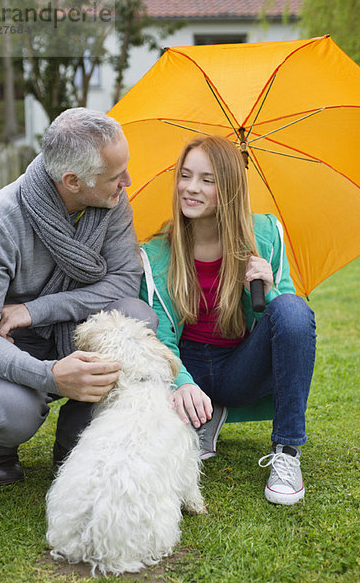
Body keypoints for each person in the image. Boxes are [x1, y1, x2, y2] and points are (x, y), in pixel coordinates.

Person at [0, 107, 157, 486]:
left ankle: (77, 426)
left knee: (136, 316)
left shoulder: (111, 203)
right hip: (6, 346)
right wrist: (50, 374)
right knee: (14, 412)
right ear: (72, 181)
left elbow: (123, 280)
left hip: (67, 329)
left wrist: (35, 310)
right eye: (117, 176)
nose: (128, 182)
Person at [140, 135, 316, 505]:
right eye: (185, 176)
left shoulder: (265, 235)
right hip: (187, 368)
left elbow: (285, 325)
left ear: (231, 187)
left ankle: (287, 452)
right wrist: (183, 383)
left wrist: (268, 290)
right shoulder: (156, 252)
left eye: (207, 179)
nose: (190, 188)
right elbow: (160, 338)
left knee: (293, 308)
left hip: (240, 369)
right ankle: (202, 413)